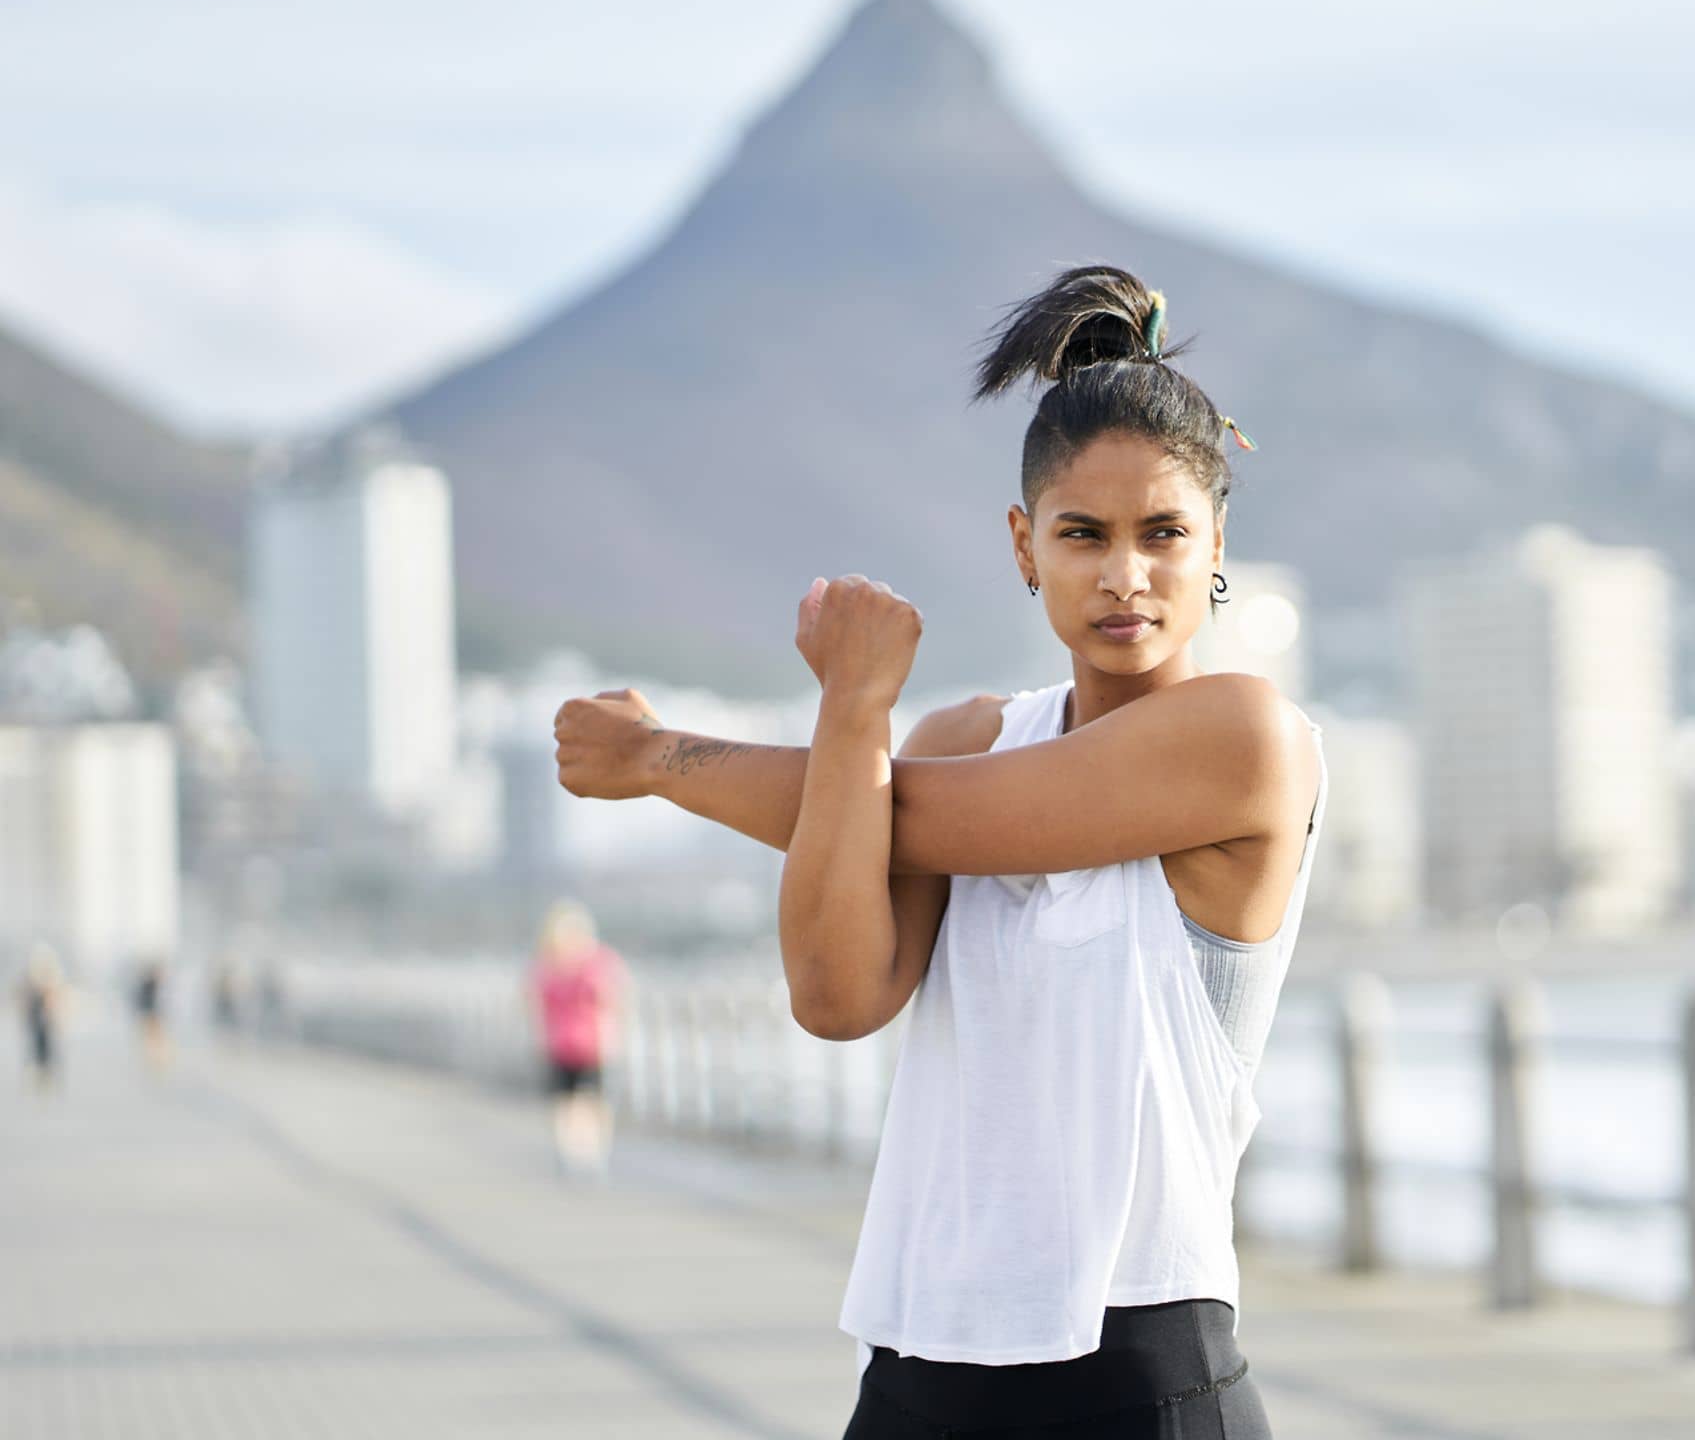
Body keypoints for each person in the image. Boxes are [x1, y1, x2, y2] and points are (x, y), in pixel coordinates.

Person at [552, 264, 1325, 1437]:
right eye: (1082, 535)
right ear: (1024, 546)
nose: (1126, 575)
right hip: (919, 1363)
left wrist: (661, 758)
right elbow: (834, 994)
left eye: (1164, 533)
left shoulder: (1245, 740)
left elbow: (903, 820)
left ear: (1215, 540)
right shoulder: (958, 737)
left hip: (1141, 1374)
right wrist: (853, 710)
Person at [528, 898, 626, 1178]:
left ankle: (586, 1152)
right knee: (572, 1102)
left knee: (588, 1102)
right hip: (566, 1045)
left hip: (591, 1045)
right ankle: (577, 1153)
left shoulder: (589, 963)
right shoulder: (552, 966)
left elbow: (612, 998)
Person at [16, 943, 71, 1095]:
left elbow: (55, 1000)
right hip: (36, 1019)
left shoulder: (50, 980)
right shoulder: (32, 981)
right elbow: (24, 1000)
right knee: (37, 1048)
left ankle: (45, 1077)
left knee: (46, 1049)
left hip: (45, 1021)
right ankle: (39, 1076)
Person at [133, 955, 171, 1073]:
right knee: (154, 1038)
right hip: (151, 1014)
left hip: (151, 1014)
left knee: (153, 1038)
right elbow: (150, 1001)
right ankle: (157, 1059)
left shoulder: (150, 984)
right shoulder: (150, 985)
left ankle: (156, 1059)